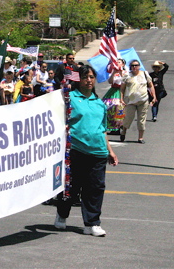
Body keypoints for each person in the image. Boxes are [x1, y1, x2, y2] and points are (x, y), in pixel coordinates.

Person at [54, 65, 118, 237]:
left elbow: (103, 129)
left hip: (98, 152)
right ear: (79, 80)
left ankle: (92, 223)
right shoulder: (70, 98)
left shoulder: (99, 104)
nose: (89, 80)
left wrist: (110, 151)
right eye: (85, 77)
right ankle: (62, 214)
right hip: (76, 150)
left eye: (91, 77)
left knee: (95, 188)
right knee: (72, 187)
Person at [119, 60, 156, 144]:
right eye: (132, 65)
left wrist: (154, 97)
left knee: (142, 120)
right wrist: (121, 99)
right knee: (128, 118)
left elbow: (151, 86)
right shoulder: (127, 76)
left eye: (136, 65)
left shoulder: (145, 74)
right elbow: (122, 89)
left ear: (139, 66)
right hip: (130, 101)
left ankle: (140, 137)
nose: (134, 67)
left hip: (143, 100)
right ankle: (123, 131)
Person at [102, 59, 128, 134]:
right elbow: (110, 81)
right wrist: (114, 72)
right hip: (113, 90)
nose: (117, 63)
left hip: (121, 91)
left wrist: (120, 72)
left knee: (119, 108)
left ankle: (120, 126)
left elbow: (125, 80)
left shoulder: (125, 72)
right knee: (108, 106)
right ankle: (112, 126)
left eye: (119, 62)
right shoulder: (113, 72)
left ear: (123, 64)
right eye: (116, 62)